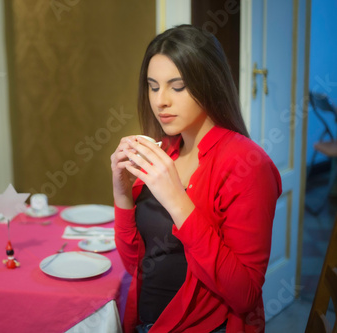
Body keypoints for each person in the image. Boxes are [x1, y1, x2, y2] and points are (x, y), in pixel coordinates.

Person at [110, 25, 282, 333]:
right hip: (146, 322)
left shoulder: (247, 165)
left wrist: (177, 200)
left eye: (177, 87)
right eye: (153, 86)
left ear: (209, 84)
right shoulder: (166, 152)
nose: (160, 100)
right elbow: (136, 263)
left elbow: (245, 295)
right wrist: (122, 193)